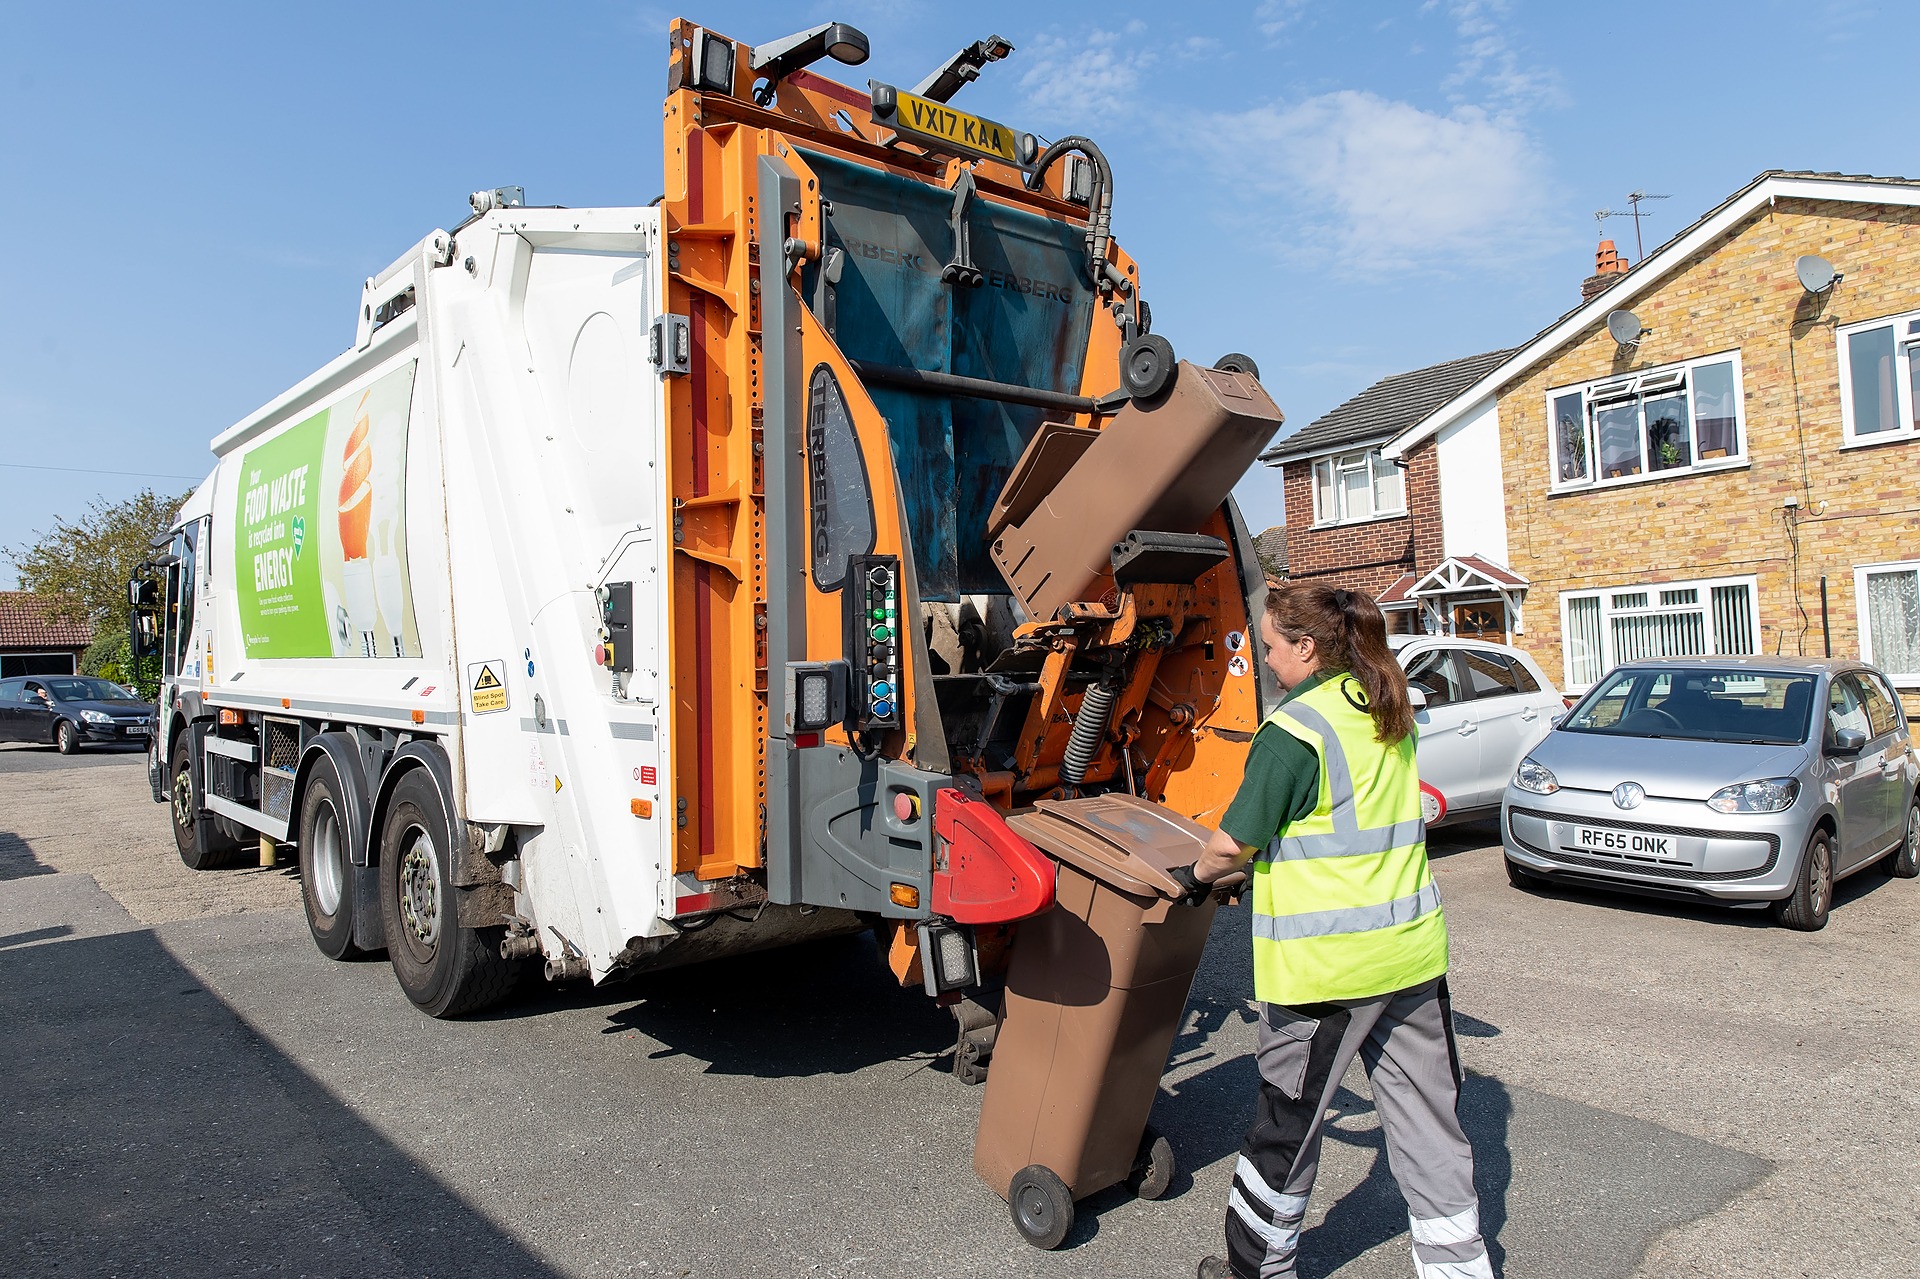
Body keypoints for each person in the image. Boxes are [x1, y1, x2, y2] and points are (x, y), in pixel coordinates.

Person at [1170, 583, 1492, 1279]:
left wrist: (1194, 877)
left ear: (1306, 647)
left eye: (1271, 645)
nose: (1265, 655)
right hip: (1410, 957)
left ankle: (1257, 1269)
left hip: (1326, 973)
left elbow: (1233, 844)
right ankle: (1459, 1270)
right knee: (1431, 1125)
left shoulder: (1294, 729)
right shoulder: (1386, 708)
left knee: (1286, 1130)